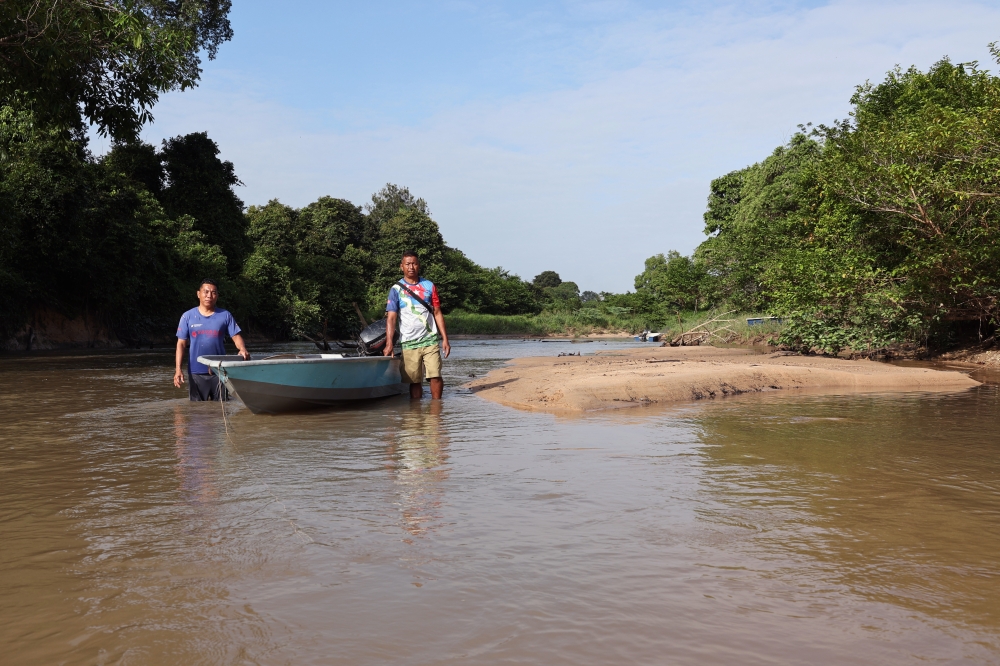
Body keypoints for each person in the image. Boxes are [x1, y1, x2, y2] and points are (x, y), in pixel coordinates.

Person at [383, 251, 451, 399]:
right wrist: (389, 344)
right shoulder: (396, 290)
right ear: (402, 267)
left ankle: (436, 408)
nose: (411, 267)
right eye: (407, 264)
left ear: (418, 265)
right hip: (408, 342)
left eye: (414, 263)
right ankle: (416, 413)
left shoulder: (429, 286)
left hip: (430, 339)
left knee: (435, 375)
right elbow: (391, 318)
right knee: (414, 380)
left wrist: (445, 339)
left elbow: (437, 313)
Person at [173, 278, 250, 401]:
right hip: (196, 372)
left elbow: (236, 336)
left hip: (219, 371)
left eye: (213, 292)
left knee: (221, 410)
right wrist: (178, 370)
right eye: (206, 291)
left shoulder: (225, 315)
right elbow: (181, 344)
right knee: (197, 412)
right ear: (198, 294)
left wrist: (242, 349)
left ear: (217, 295)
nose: (209, 295)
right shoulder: (187, 317)